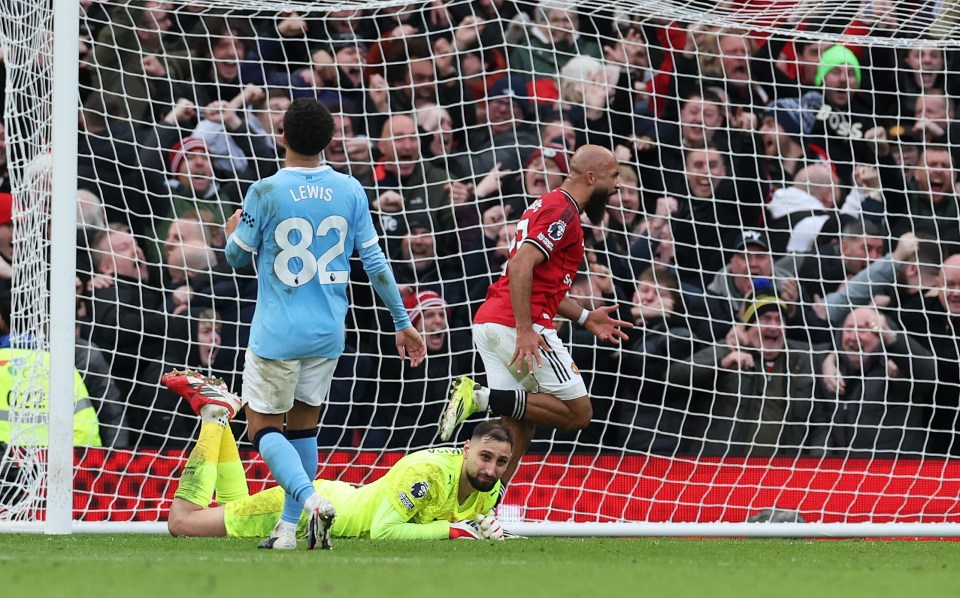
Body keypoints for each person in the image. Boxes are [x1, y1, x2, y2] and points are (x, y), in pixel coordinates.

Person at [223, 98, 426, 550]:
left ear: (282, 135)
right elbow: (373, 261)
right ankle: (288, 530)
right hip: (329, 331)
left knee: (263, 429)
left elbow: (236, 257)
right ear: (330, 140)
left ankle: (311, 501)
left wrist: (231, 228)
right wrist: (402, 321)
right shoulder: (351, 190)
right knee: (303, 429)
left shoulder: (265, 191)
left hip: (277, 332)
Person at [438, 145, 631, 482]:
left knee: (518, 424)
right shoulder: (562, 212)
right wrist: (527, 329)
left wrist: (586, 317)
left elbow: (542, 286)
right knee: (578, 413)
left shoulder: (551, 206)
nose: (618, 186)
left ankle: (483, 513)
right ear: (591, 177)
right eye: (614, 176)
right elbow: (520, 264)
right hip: (517, 325)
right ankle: (479, 397)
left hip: (493, 322)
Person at [162, 370, 510, 545]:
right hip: (307, 516)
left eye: (500, 462)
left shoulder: (489, 487)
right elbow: (383, 531)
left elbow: (472, 522)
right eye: (485, 457)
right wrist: (453, 531)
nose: (491, 469)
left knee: (234, 504)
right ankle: (214, 416)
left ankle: (221, 413)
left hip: (330, 499)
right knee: (182, 522)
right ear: (466, 449)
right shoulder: (428, 474)